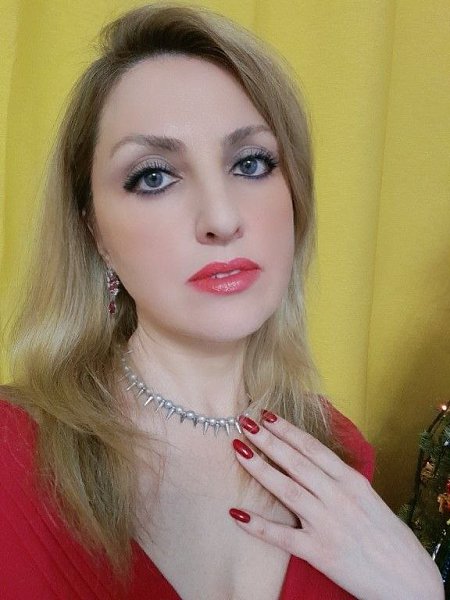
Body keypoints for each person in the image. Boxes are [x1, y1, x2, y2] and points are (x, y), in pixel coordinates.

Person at [0, 3, 444, 599]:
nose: (222, 217)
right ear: (94, 230)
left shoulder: (336, 454)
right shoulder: (11, 454)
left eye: (251, 163)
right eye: (154, 176)